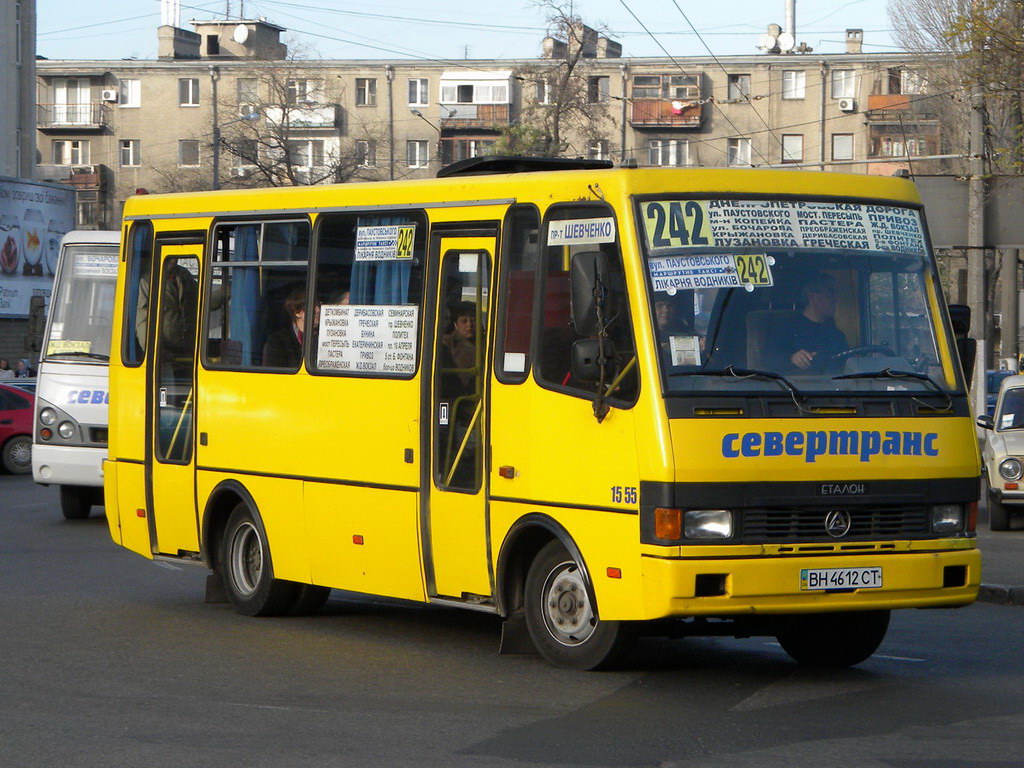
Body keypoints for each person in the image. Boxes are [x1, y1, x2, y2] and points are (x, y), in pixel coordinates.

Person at [774, 272, 848, 373]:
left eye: (836, 293)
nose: (836, 299)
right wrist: (792, 359)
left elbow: (848, 366)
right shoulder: (787, 327)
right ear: (812, 297)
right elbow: (768, 358)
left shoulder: (837, 335)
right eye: (830, 293)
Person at [262, 287, 307, 368]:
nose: (318, 310)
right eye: (314, 306)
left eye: (319, 305)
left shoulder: (321, 337)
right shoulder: (277, 341)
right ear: (298, 312)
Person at [440, 301, 477, 391]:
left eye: (473, 320)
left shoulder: (487, 341)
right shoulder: (447, 342)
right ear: (455, 325)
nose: (469, 325)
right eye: (464, 321)